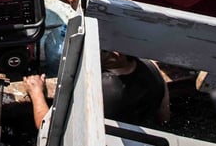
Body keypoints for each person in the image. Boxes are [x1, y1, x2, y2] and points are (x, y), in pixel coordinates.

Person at [24, 50, 169, 130]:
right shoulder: (152, 68)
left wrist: (36, 93)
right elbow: (164, 117)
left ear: (114, 55)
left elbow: (49, 130)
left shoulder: (97, 90)